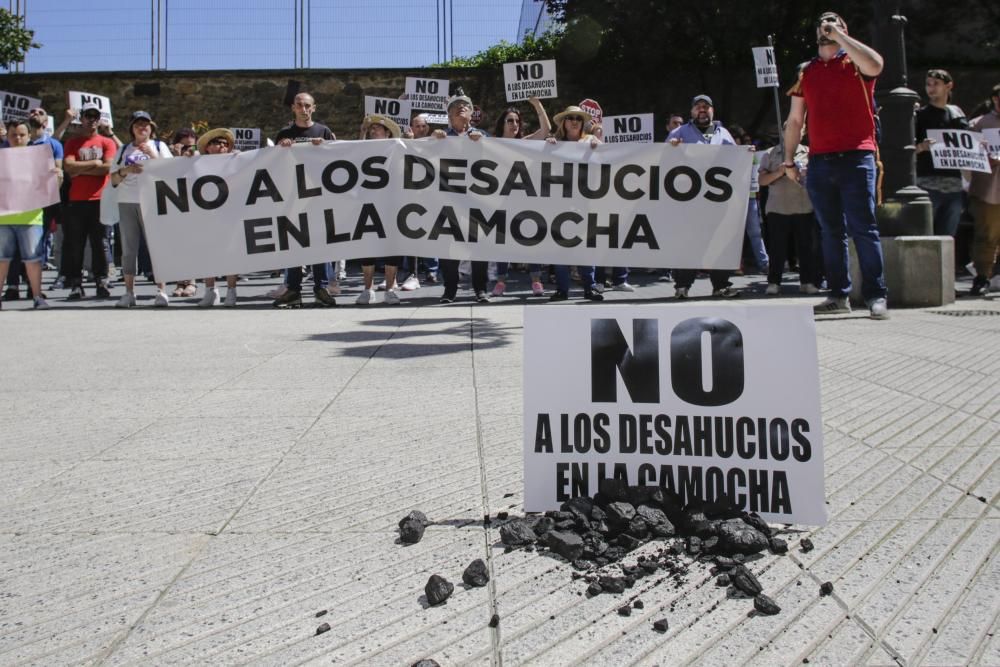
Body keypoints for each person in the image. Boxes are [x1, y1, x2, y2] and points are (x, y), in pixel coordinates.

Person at [783, 11, 888, 319]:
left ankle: (876, 295)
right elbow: (794, 120)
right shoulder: (807, 71)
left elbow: (876, 64)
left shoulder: (856, 64)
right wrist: (789, 160)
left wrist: (840, 36)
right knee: (830, 232)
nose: (826, 26)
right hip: (820, 161)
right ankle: (838, 294)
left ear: (845, 30)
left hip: (857, 157)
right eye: (822, 23)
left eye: (835, 22)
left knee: (864, 229)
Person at [668, 94, 739, 299]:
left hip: (717, 200)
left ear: (712, 111)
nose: (701, 110)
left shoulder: (723, 133)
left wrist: (746, 153)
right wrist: (671, 149)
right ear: (691, 111)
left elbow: (735, 159)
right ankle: (682, 286)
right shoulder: (679, 132)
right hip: (688, 201)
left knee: (719, 242)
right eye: (698, 107)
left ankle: (720, 285)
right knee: (688, 242)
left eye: (705, 107)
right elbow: (663, 159)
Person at [272, 92, 337, 308]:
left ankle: (321, 288)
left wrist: (325, 147)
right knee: (294, 243)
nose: (304, 108)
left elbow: (339, 159)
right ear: (293, 108)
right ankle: (293, 290)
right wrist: (281, 150)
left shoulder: (323, 131)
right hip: (292, 196)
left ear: (314, 108)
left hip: (318, 196)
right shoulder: (284, 133)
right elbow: (271, 164)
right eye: (299, 105)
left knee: (319, 242)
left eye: (307, 105)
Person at [107, 110, 173, 308]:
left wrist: (152, 156)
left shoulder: (160, 146)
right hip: (128, 201)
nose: (142, 128)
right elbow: (114, 179)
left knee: (156, 246)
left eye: (146, 124)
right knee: (129, 248)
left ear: (151, 128)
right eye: (138, 125)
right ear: (131, 129)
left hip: (152, 201)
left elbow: (171, 172)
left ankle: (161, 290)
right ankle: (129, 292)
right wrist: (126, 170)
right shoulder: (123, 150)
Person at [433, 91, 491, 304]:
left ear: (472, 113)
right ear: (449, 115)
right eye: (456, 106)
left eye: (465, 105)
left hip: (477, 202)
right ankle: (449, 291)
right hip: (449, 202)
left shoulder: (483, 135)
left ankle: (480, 290)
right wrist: (432, 141)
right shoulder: (440, 137)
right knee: (449, 250)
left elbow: (501, 158)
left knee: (479, 249)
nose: (460, 108)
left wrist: (484, 142)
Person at [490, 97, 551, 297]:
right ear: (502, 124)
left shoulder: (525, 144)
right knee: (502, 243)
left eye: (517, 121)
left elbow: (545, 130)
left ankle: (536, 280)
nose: (514, 124)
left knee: (530, 239)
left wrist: (536, 104)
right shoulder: (493, 144)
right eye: (510, 120)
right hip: (501, 200)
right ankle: (500, 282)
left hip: (524, 200)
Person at [546, 105, 604, 302]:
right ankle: (562, 289)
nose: (574, 121)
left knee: (585, 248)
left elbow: (604, 159)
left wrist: (598, 144)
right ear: (564, 122)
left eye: (578, 118)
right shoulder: (555, 142)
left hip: (585, 202)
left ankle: (590, 287)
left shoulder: (589, 141)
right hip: (560, 203)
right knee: (561, 248)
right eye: (570, 117)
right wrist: (547, 147)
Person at [62, 102, 118, 301]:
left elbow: (107, 168)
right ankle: (76, 283)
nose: (91, 120)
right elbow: (67, 167)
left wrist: (81, 168)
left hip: (100, 199)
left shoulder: (106, 142)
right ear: (82, 118)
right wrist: (94, 163)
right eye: (88, 116)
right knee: (75, 244)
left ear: (99, 119)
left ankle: (101, 280)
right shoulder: (72, 142)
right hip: (77, 200)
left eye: (95, 116)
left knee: (100, 243)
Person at [758, 128, 822, 295]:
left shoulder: (809, 153)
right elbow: (762, 180)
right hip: (778, 207)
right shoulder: (770, 153)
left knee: (806, 247)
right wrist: (779, 172)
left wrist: (805, 174)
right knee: (777, 248)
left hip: (803, 206)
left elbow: (817, 178)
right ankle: (774, 282)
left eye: (798, 130)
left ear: (802, 134)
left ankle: (807, 281)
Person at [0, 119, 55, 309]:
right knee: (1, 259)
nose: (17, 138)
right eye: (13, 134)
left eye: (22, 134)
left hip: (31, 217)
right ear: (6, 136)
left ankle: (37, 296)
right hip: (3, 218)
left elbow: (48, 187)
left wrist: (57, 176)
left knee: (33, 259)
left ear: (29, 136)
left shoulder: (38, 158)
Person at [915, 69, 970, 237]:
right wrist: (922, 147)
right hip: (927, 185)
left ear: (949, 86)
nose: (931, 88)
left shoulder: (957, 116)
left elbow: (966, 145)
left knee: (947, 237)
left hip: (954, 187)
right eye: (928, 84)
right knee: (924, 234)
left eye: (936, 84)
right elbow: (908, 149)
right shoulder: (920, 116)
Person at [356, 115, 402, 305]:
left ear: (387, 132)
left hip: (391, 203)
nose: (373, 131)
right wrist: (361, 133)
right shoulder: (360, 149)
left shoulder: (398, 148)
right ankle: (368, 289)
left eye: (378, 129)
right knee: (367, 245)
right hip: (367, 202)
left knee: (393, 246)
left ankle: (390, 289)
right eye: (371, 129)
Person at [195, 128, 241, 307]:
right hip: (206, 211)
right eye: (217, 143)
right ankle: (210, 290)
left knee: (229, 250)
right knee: (209, 250)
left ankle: (231, 290)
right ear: (207, 147)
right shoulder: (198, 163)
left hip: (228, 211)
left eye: (225, 144)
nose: (222, 146)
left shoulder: (235, 161)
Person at [968, 83, 1000, 296]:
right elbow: (968, 154)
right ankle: (982, 277)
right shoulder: (978, 124)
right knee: (986, 235)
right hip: (989, 189)